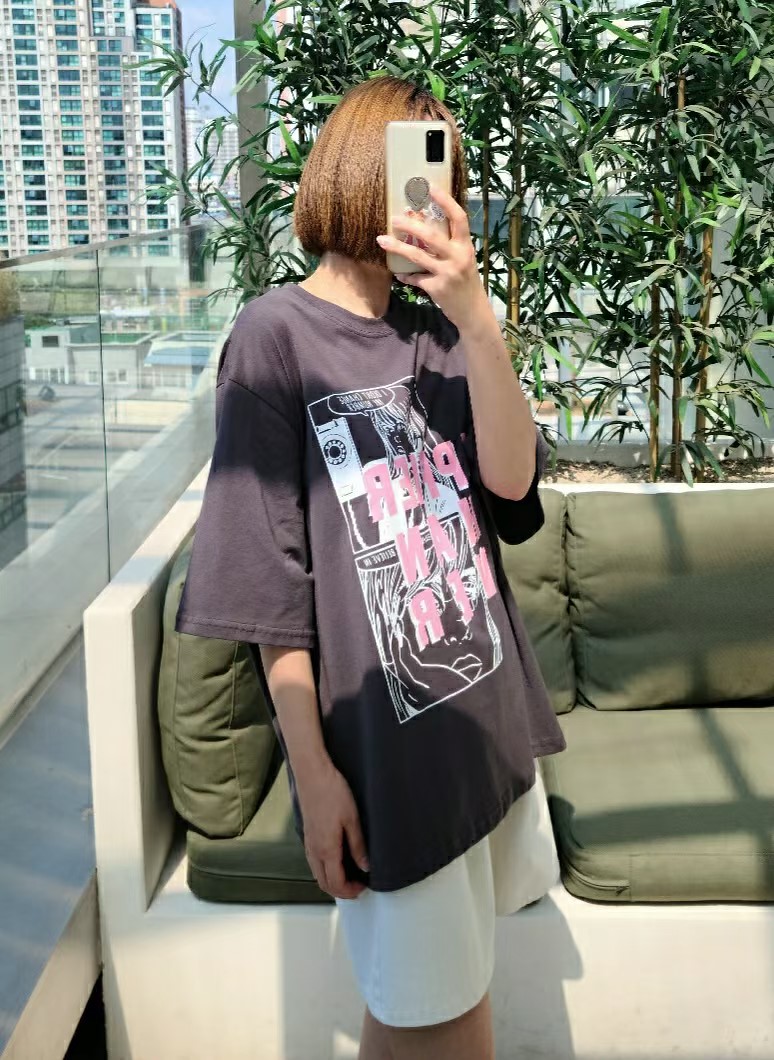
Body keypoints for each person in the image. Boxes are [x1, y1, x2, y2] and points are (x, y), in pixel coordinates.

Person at [175, 74, 567, 1060]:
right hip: (389, 763)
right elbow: (271, 587)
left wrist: (479, 321)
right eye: (412, 167)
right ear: (358, 172)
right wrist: (314, 775)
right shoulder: (273, 337)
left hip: (482, 722)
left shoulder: (440, 332)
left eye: (444, 176)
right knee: (436, 1020)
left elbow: (512, 487)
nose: (434, 194)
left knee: (436, 1009)